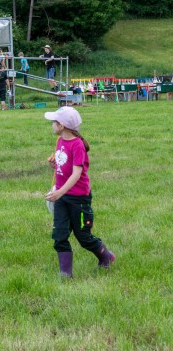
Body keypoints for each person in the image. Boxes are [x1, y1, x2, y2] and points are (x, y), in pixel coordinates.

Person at [44, 106, 115, 278]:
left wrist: (59, 192)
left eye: (54, 122)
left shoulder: (77, 145)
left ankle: (106, 256)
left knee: (83, 237)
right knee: (59, 236)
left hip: (78, 199)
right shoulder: (60, 141)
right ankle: (65, 275)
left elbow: (76, 174)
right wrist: (55, 165)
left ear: (62, 125)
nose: (52, 125)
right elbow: (65, 166)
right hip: (62, 197)